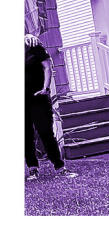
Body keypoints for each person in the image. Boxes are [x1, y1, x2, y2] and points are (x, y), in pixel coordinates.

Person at [25, 34, 75, 179]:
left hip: (38, 97)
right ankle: (32, 169)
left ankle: (60, 167)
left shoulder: (33, 45)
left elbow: (47, 68)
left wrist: (45, 88)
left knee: (45, 132)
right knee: (25, 135)